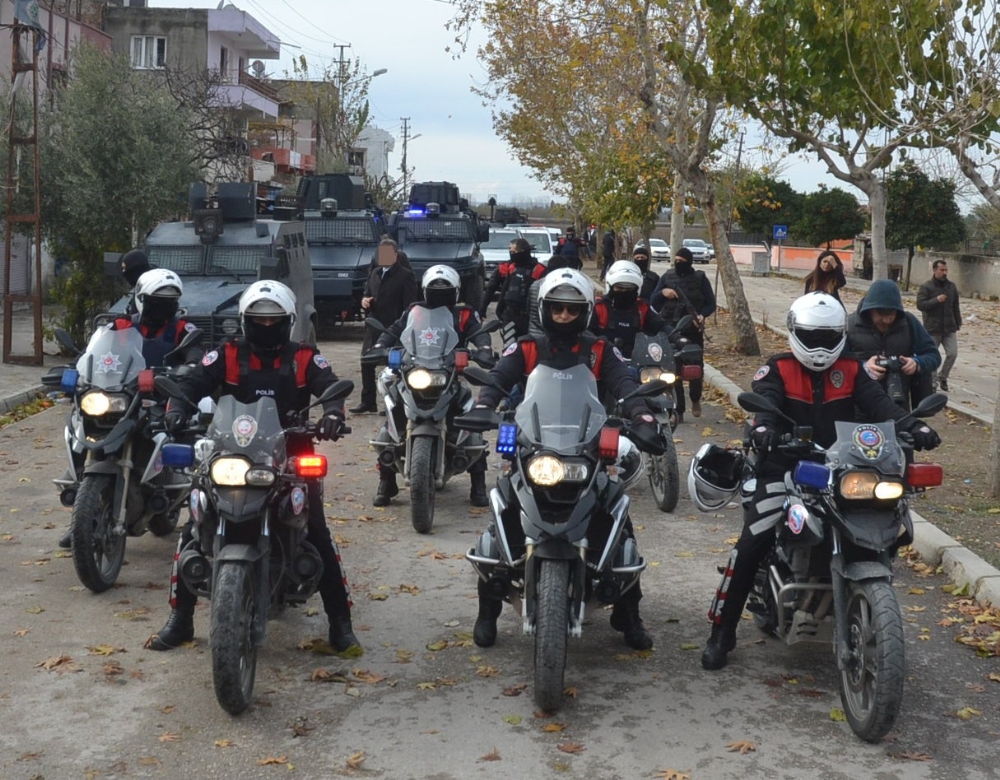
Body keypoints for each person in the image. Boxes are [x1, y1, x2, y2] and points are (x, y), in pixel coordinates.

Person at [700, 292, 941, 671]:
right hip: (783, 468)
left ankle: (866, 603)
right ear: (796, 332)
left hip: (841, 469)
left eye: (829, 336)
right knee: (752, 542)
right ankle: (722, 630)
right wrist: (764, 428)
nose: (820, 345)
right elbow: (764, 400)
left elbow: (881, 405)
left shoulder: (851, 369)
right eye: (812, 336)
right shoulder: (777, 368)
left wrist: (914, 425)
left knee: (888, 519)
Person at [150, 280, 361, 655]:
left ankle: (340, 623)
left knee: (317, 531)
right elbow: (196, 381)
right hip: (229, 453)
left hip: (290, 457)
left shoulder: (305, 357)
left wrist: (332, 412)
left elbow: (329, 385)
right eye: (257, 320)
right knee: (194, 525)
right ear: (245, 321)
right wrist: (179, 409)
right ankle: (180, 620)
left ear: (289, 320)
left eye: (274, 320)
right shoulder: (227, 352)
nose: (266, 326)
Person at [466, 268, 665, 651]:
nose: (563, 317)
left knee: (617, 515)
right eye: (556, 309)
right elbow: (499, 379)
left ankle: (629, 613)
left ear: (585, 312)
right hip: (533, 443)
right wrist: (485, 404)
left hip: (586, 444)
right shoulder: (526, 346)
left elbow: (623, 380)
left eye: (572, 311)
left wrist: (640, 415)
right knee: (503, 509)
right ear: (545, 309)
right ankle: (486, 610)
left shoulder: (600, 349)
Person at [57, 268, 205, 550]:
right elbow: (96, 352)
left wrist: (189, 367)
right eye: (156, 299)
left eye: (170, 300)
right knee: (80, 426)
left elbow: (195, 354)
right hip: (121, 395)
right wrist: (77, 371)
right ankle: (82, 521)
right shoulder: (121, 325)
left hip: (161, 397)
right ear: (140, 298)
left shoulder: (183, 330)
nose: (164, 305)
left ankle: (200, 517)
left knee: (191, 438)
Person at [370, 264, 497, 508]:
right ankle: (386, 481)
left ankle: (478, 481)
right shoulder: (414, 311)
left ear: (456, 291)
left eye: (446, 290)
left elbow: (478, 332)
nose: (441, 294)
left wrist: (483, 348)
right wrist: (381, 346)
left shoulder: (464, 314)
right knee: (391, 408)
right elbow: (395, 329)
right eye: (436, 289)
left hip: (447, 373)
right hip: (416, 369)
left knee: (469, 411)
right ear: (425, 290)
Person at [846, 279, 940, 411]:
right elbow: (836, 366)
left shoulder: (908, 323)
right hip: (859, 408)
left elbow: (933, 356)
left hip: (897, 405)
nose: (887, 320)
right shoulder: (849, 325)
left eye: (891, 314)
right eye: (881, 314)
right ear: (869, 310)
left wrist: (917, 363)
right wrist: (864, 367)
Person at [352, 238, 419, 414]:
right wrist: (364, 301)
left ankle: (394, 402)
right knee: (366, 362)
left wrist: (403, 326)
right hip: (374, 325)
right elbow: (367, 294)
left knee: (394, 367)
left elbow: (410, 305)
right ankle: (368, 402)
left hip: (394, 328)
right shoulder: (374, 273)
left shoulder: (405, 275)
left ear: (395, 255)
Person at [651, 246, 716, 420]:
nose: (679, 264)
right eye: (677, 261)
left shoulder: (700, 278)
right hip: (670, 329)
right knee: (674, 368)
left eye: (683, 262)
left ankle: (695, 398)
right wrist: (663, 292)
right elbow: (653, 300)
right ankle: (679, 409)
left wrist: (702, 315)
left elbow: (711, 303)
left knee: (695, 367)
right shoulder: (667, 276)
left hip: (692, 328)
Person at [590, 260, 672, 358]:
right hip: (604, 359)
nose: (624, 292)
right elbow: (586, 332)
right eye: (619, 288)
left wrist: (677, 337)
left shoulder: (642, 307)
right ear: (610, 287)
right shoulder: (599, 307)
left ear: (637, 289)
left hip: (639, 362)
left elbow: (660, 325)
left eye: (629, 289)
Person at [481, 237, 546, 342]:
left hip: (530, 317)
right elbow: (497, 290)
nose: (511, 254)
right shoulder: (510, 268)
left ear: (522, 252)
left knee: (529, 349)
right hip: (510, 315)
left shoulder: (539, 270)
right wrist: (489, 310)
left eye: (513, 252)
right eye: (510, 252)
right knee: (509, 348)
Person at [916, 259, 962, 392]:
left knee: (952, 353)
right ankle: (932, 383)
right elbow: (921, 305)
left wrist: (958, 321)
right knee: (933, 356)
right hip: (933, 328)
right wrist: (936, 300)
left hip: (949, 327)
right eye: (942, 270)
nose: (944, 272)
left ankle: (943, 376)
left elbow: (955, 305)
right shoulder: (926, 287)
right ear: (934, 270)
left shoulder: (951, 286)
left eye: (946, 270)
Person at [120, 248, 152, 316]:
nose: (123, 272)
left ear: (133, 269)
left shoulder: (146, 290)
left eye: (125, 268)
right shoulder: (139, 286)